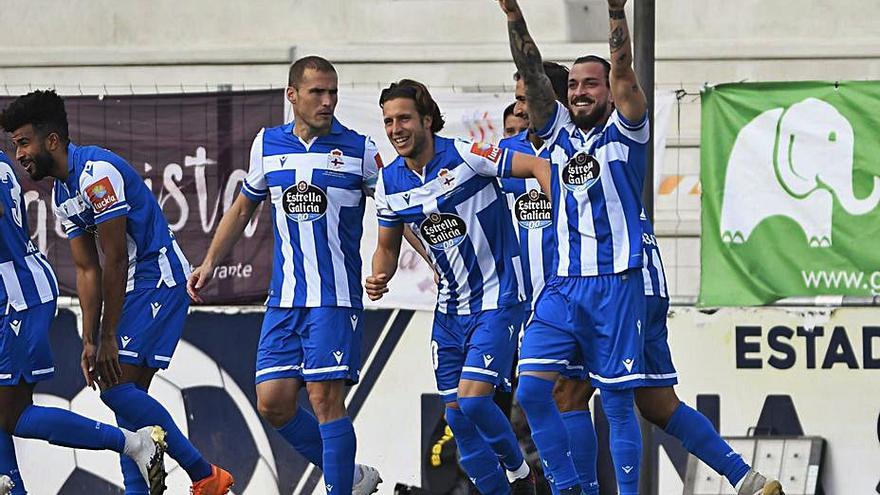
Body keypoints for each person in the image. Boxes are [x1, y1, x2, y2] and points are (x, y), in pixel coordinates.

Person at [0, 90, 234, 495]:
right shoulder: (62, 193)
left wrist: (108, 337)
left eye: (23, 142)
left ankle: (204, 474)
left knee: (116, 388)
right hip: (131, 287)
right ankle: (147, 487)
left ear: (51, 140)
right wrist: (90, 339)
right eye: (14, 145)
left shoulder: (96, 173)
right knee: (126, 395)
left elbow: (116, 259)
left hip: (156, 279)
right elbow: (87, 269)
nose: (19, 154)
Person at [187, 56, 382, 495]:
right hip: (285, 299)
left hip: (334, 298)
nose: (328, 101)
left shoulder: (361, 149)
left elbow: (396, 213)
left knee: (324, 400)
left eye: (333, 92)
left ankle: (338, 489)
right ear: (291, 95)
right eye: (317, 92)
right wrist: (211, 262)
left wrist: (407, 263)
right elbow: (242, 207)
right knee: (273, 402)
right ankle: (348, 476)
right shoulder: (267, 144)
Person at [367, 78, 552, 495]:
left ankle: (521, 475)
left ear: (428, 120)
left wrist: (558, 209)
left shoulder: (467, 155)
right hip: (450, 309)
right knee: (457, 420)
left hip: (498, 298)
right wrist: (380, 275)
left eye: (405, 119)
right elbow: (386, 247)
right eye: (389, 121)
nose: (396, 128)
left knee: (473, 402)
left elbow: (539, 167)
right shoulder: (389, 182)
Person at [0, 150, 168, 495]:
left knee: (12, 414)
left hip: (14, 297)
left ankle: (136, 444)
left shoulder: (93, 172)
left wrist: (101, 336)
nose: (19, 151)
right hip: (18, 289)